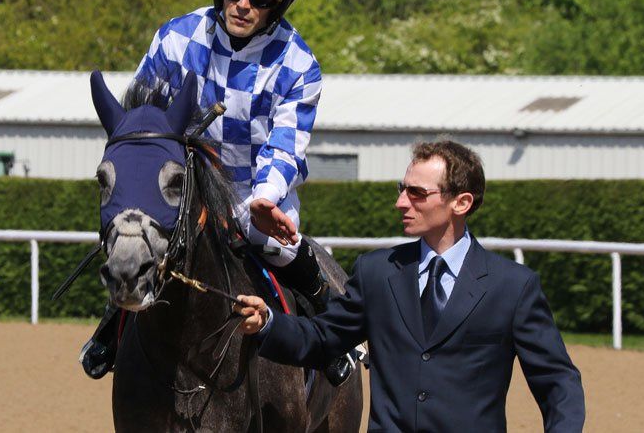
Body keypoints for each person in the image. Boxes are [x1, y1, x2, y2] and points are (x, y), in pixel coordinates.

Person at [81, 0, 353, 384]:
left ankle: (328, 322)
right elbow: (144, 116)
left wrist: (266, 198)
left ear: (279, 4)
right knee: (138, 237)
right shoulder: (175, 37)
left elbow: (285, 147)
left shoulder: (298, 64)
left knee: (269, 240)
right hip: (185, 184)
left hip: (253, 191)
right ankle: (116, 317)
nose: (243, 3)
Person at [237, 140, 586, 432]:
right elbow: (322, 339)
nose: (401, 202)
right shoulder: (375, 272)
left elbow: (559, 384)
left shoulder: (514, 286)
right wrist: (269, 323)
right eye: (402, 189)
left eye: (417, 193)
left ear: (461, 203)